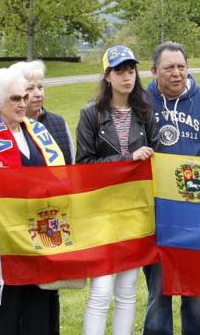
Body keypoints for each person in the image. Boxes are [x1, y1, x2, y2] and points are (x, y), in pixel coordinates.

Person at [76, 46, 160, 335]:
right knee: (101, 288)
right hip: (102, 209)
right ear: (107, 76)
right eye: (119, 70)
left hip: (135, 209)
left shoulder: (145, 112)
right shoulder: (91, 114)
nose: (127, 76)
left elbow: (156, 158)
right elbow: (84, 164)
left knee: (127, 288)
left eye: (131, 70)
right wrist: (127, 159)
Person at [143, 41, 200, 335]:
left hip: (197, 211)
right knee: (159, 290)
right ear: (154, 71)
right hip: (157, 211)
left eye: (181, 67)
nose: (177, 73)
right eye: (169, 68)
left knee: (196, 294)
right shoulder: (141, 102)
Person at [0, 67, 65, 335]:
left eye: (23, 97)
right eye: (15, 99)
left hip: (40, 236)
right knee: (9, 312)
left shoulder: (37, 131)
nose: (23, 103)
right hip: (6, 242)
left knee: (41, 309)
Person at [8, 60, 74, 164]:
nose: (38, 93)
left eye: (40, 87)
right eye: (30, 88)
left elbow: (71, 165)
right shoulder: (4, 129)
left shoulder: (60, 123)